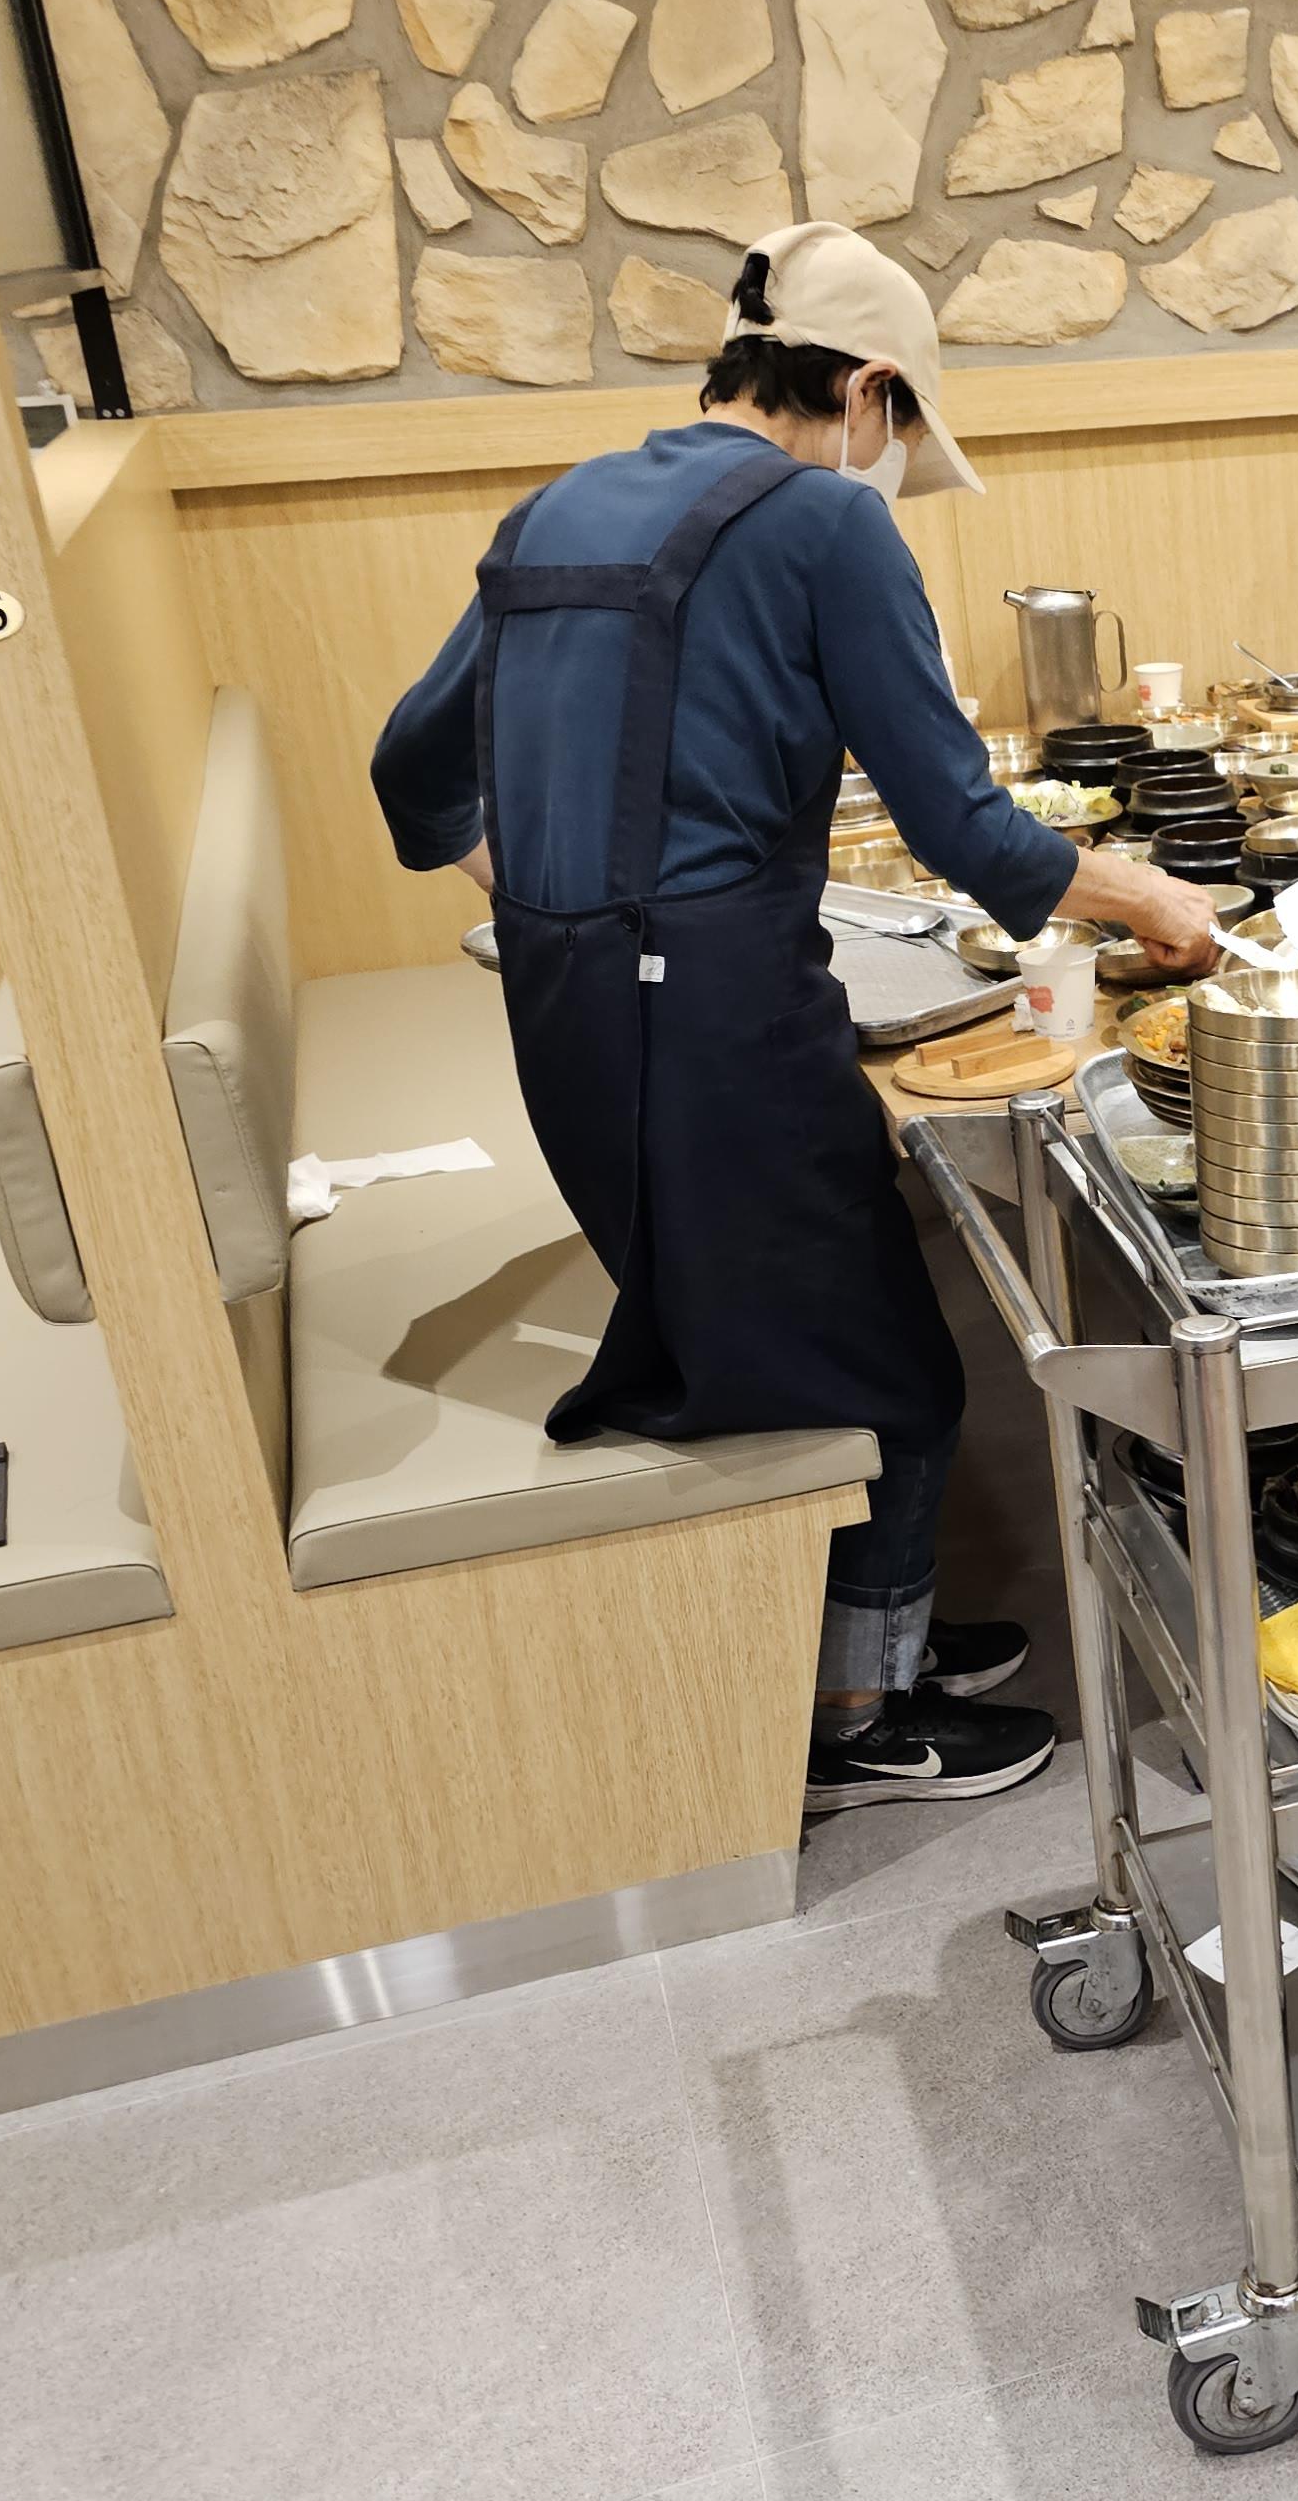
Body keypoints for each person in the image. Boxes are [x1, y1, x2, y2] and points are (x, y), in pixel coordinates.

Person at [371, 222, 1216, 1821]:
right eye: (902, 430)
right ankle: (852, 1724)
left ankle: (868, 1636)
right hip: (713, 1023)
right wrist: (1153, 903)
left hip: (572, 1014)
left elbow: (411, 771)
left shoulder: (560, 505)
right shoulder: (826, 520)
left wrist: (541, 891)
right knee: (888, 1366)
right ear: (869, 389)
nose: (895, 465)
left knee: (820, 1309)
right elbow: (969, 829)